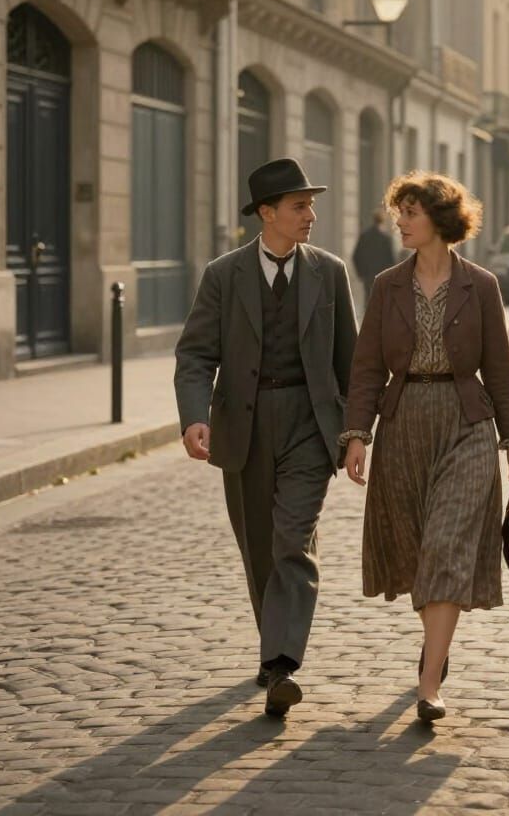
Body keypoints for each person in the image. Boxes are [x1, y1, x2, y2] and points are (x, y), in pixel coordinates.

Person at [340, 171, 509, 725]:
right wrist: (357, 434)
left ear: (440, 220)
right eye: (399, 211)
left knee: (447, 545)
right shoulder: (386, 286)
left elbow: (499, 367)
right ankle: (437, 648)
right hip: (403, 425)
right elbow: (367, 368)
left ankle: (429, 686)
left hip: (466, 422)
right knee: (420, 550)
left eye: (410, 212)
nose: (399, 221)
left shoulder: (482, 285)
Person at [174, 158, 358, 718]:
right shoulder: (223, 275)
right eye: (300, 206)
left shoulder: (329, 272)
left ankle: (281, 664)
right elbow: (195, 354)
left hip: (309, 421)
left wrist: (355, 431)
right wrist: (193, 416)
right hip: (244, 426)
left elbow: (350, 362)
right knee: (259, 547)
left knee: (292, 540)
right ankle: (271, 645)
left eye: (310, 205)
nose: (311, 215)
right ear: (267, 213)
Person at [352, 209, 396, 308]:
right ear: (383, 221)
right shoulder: (386, 238)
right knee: (381, 302)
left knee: (369, 301)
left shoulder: (364, 236)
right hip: (383, 275)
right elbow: (391, 259)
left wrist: (361, 273)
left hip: (368, 275)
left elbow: (355, 256)